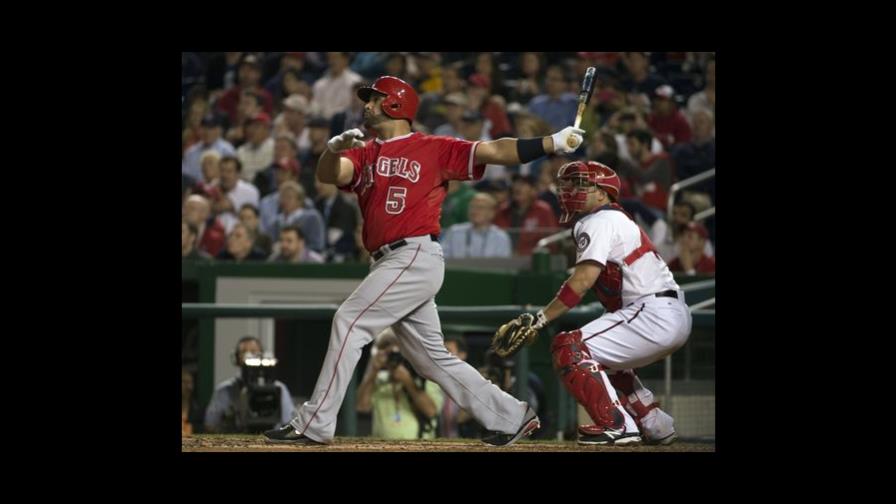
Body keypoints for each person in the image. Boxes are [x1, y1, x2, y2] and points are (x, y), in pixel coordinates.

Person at [263, 75, 586, 446]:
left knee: (349, 321)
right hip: (389, 260)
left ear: (396, 104)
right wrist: (331, 150)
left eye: (374, 98)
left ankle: (314, 423)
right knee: (431, 359)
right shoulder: (364, 150)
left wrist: (552, 143)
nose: (366, 105)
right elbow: (330, 174)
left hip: (413, 252)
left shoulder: (432, 147)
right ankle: (511, 416)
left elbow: (494, 151)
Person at [499, 160, 690, 446]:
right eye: (569, 184)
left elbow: (582, 281)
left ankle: (617, 424)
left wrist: (539, 319)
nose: (570, 190)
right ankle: (654, 423)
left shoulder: (599, 219)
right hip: (663, 311)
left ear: (603, 193)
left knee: (569, 347)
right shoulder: (614, 219)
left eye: (580, 184)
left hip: (652, 312)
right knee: (607, 362)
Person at [355, 329, 444, 439]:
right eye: (387, 348)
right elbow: (362, 407)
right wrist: (373, 371)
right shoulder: (378, 380)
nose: (394, 355)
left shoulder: (425, 378)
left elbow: (431, 412)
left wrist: (407, 381)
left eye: (399, 350)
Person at [205, 336, 295, 433]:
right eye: (244, 352)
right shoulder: (224, 390)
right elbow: (210, 425)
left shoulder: (279, 389)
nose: (249, 355)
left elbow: (290, 423)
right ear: (236, 357)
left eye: (253, 351)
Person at [440, 192, 512, 258]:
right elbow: (442, 258)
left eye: (480, 208)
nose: (475, 211)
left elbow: (502, 266)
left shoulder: (500, 237)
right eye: (472, 207)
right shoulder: (454, 231)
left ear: (491, 213)